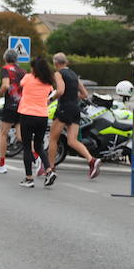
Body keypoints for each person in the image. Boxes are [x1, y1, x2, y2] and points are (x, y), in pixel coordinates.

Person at [46, 52, 99, 182]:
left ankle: (51, 168)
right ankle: (91, 160)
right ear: (66, 62)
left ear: (55, 63)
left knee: (53, 138)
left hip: (64, 108)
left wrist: (50, 99)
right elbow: (85, 94)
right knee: (72, 140)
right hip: (75, 108)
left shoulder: (58, 74)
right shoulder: (74, 75)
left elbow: (60, 91)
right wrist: (73, 97)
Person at [16, 57, 56, 188]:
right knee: (38, 146)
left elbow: (20, 84)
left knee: (27, 147)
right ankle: (49, 170)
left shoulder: (28, 78)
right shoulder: (48, 82)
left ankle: (29, 178)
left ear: (35, 69)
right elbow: (50, 93)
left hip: (27, 115)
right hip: (42, 116)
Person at [0, 49, 23, 173]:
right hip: (21, 105)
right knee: (21, 136)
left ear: (5, 58)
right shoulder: (22, 71)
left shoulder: (5, 69)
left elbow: (5, 85)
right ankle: (38, 157)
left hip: (10, 105)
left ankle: (1, 164)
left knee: (3, 133)